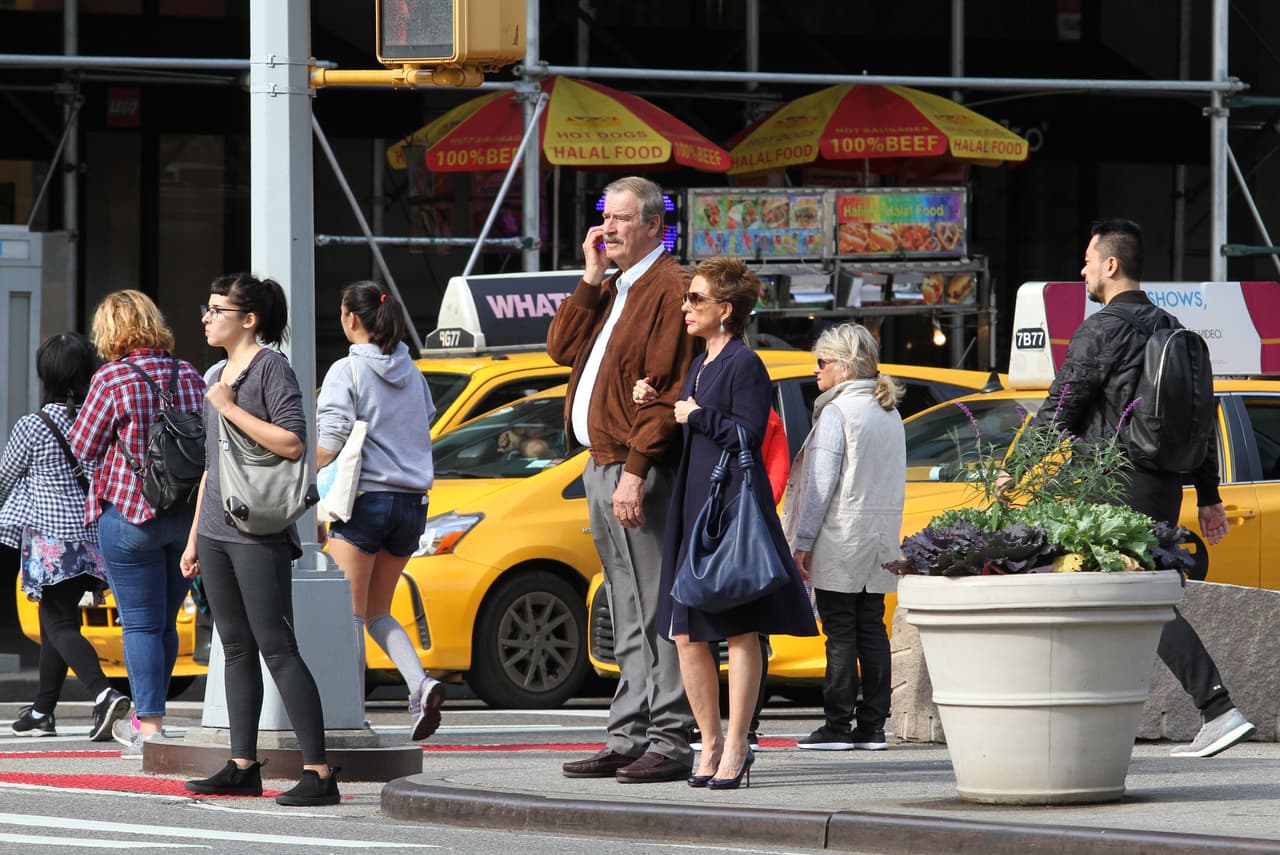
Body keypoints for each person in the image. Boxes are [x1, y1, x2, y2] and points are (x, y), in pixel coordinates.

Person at [1033, 218, 1255, 759]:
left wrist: (1016, 466)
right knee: (1111, 599)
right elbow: (1197, 422)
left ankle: (1218, 708)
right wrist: (1207, 497)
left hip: (1114, 486)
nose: (1081, 268)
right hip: (1160, 486)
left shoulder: (1102, 329)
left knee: (1140, 601)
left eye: (1087, 259)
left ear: (1111, 265)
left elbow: (1063, 404)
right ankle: (1088, 722)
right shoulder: (1172, 326)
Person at [638, 257, 817, 790]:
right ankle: (708, 741)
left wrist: (694, 414)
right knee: (686, 631)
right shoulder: (700, 364)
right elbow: (697, 413)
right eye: (687, 298)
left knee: (739, 631)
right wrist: (667, 401)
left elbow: (747, 436)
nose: (685, 306)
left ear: (727, 309)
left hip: (730, 508)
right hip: (694, 505)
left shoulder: (745, 363)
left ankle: (737, 744)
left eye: (696, 299)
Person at [548, 175, 698, 784]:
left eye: (620, 219)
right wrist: (588, 278)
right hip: (600, 462)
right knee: (626, 603)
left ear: (652, 226)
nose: (606, 228)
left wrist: (634, 473)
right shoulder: (613, 287)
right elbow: (560, 347)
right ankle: (630, 733)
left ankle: (668, 736)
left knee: (655, 602)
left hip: (636, 468)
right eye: (604, 217)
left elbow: (664, 392)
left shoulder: (670, 287)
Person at [179, 273, 339, 805]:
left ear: (248, 320)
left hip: (258, 532)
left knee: (277, 645)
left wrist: (228, 406)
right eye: (207, 307)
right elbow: (211, 465)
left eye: (216, 309)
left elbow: (294, 443)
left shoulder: (271, 369)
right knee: (235, 645)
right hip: (219, 529)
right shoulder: (219, 373)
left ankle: (319, 773)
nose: (206, 317)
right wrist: (194, 538)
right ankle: (243, 765)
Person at [69, 290, 205, 758]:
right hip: (185, 519)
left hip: (131, 514)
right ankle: (154, 714)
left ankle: (149, 726)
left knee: (141, 626)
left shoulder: (111, 378)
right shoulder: (187, 373)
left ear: (109, 331)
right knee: (164, 623)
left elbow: (83, 446)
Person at [316, 280, 442, 741]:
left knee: (349, 614)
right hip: (413, 505)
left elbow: (329, 441)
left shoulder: (345, 371)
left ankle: (352, 711)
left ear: (352, 319)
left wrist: (292, 466)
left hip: (365, 500)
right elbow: (424, 419)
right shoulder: (413, 371)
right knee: (377, 611)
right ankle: (420, 684)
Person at [782, 324, 906, 752]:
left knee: (840, 632)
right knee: (872, 627)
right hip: (881, 535)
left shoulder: (839, 412)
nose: (816, 370)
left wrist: (802, 541)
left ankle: (837, 724)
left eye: (823, 362)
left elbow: (819, 486)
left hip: (840, 533)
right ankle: (872, 727)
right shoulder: (888, 412)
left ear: (846, 368)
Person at [3, 333, 131, 742]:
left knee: (57, 623)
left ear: (45, 375)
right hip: (93, 539)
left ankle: (103, 692)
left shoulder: (32, 425)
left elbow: (4, 479)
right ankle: (42, 710)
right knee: (58, 619)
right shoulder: (93, 420)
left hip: (52, 542)